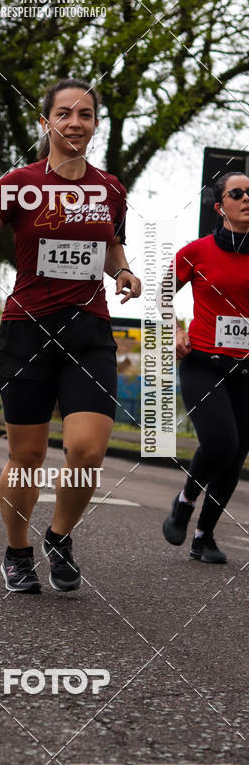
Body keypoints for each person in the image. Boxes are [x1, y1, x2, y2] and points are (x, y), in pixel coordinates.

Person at [0, 77, 141, 593]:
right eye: (64, 113)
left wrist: (123, 272)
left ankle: (60, 537)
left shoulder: (110, 188)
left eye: (85, 114)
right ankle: (17, 549)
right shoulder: (19, 183)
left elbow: (110, 243)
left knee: (87, 450)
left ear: (95, 125)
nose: (75, 122)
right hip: (27, 331)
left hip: (88, 330)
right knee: (27, 458)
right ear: (45, 122)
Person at [162, 171, 249, 564]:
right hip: (203, 364)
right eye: (238, 193)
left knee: (236, 455)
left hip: (246, 370)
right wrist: (176, 328)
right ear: (220, 207)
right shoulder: (196, 252)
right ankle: (185, 501)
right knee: (221, 441)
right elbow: (163, 295)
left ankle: (203, 536)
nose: (247, 198)